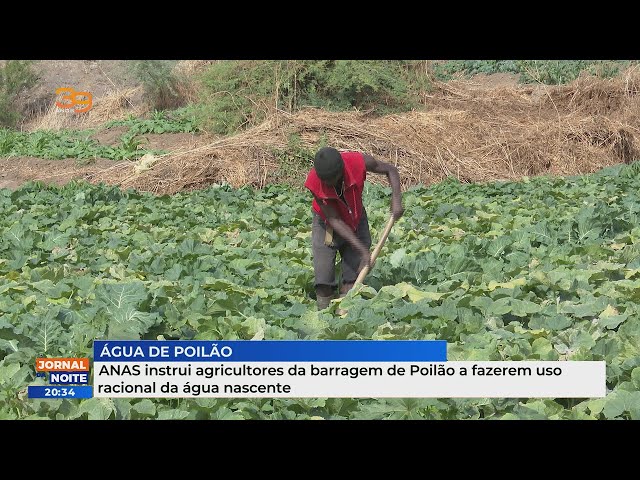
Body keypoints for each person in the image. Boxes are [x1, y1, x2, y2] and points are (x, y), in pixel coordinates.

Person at [304, 146, 404, 309]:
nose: (327, 184)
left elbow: (390, 170)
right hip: (327, 224)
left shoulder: (358, 162)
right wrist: (362, 250)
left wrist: (396, 200)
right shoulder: (315, 181)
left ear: (341, 171)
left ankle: (346, 312)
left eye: (331, 180)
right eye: (324, 181)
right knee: (323, 281)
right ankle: (324, 316)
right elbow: (333, 219)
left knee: (351, 277)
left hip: (355, 217)